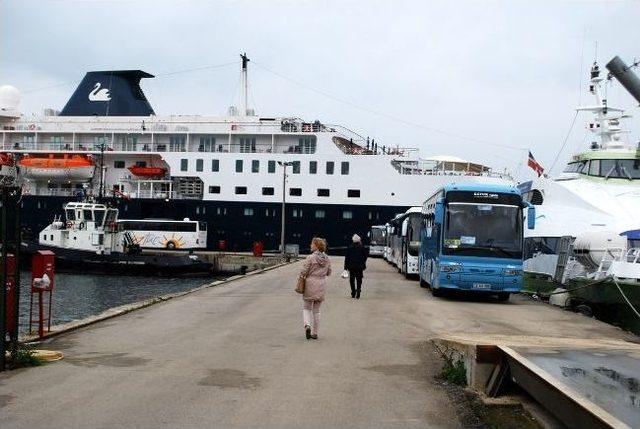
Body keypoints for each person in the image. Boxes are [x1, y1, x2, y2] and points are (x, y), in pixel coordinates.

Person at [300, 237, 332, 340]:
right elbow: (329, 272)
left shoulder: (310, 257)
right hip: (321, 284)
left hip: (310, 284)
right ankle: (315, 333)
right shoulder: (327, 258)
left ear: (316, 246)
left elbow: (304, 272)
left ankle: (307, 325)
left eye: (312, 244)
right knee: (317, 310)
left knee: (306, 308)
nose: (310, 245)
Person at [344, 234, 368, 299]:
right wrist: (362, 262)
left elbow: (347, 258)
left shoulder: (349, 247)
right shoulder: (362, 247)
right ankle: (358, 291)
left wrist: (345, 268)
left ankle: (353, 292)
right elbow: (365, 256)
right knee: (359, 279)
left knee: (352, 280)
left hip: (351, 266)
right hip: (359, 266)